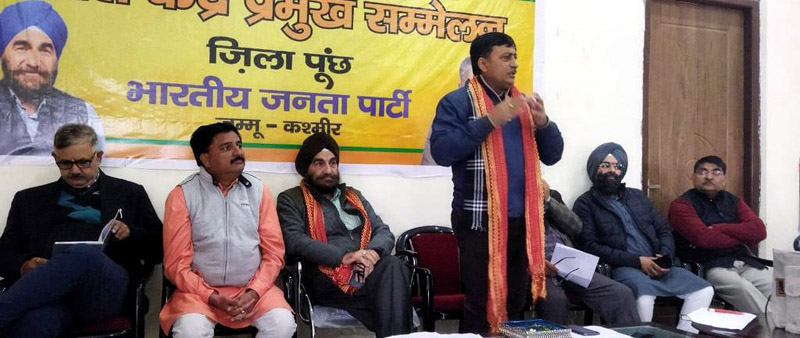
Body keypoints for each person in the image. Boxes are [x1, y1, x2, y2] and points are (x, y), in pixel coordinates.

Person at [430, 32, 564, 333]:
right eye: (506, 57)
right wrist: (490, 120)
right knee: (480, 301)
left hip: (521, 223)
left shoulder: (522, 105)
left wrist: (544, 124)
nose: (514, 64)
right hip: (479, 221)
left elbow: (553, 155)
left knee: (516, 301)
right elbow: (441, 152)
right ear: (483, 64)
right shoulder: (458, 103)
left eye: (515, 57)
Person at [0, 124, 161, 337]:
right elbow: (4, 254)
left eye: (83, 162)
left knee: (84, 254)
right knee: (34, 323)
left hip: (103, 293)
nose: (75, 170)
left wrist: (131, 233)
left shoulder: (129, 193)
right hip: (50, 295)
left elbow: (160, 249)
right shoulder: (28, 200)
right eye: (65, 163)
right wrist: (24, 266)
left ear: (98, 157)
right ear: (55, 158)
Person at [159, 122, 295, 338]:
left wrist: (255, 291)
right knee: (189, 331)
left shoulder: (259, 191)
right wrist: (211, 296)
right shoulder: (183, 195)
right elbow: (176, 265)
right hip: (199, 294)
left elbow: (274, 254)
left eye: (238, 145)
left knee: (282, 324)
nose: (237, 152)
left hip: (253, 290)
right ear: (205, 159)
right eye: (226, 148)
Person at [277, 132, 411, 338]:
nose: (328, 170)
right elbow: (295, 241)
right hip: (327, 276)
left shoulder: (353, 196)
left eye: (332, 163)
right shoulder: (291, 199)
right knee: (393, 293)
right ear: (306, 168)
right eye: (319, 163)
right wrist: (343, 256)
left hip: (367, 272)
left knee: (391, 267)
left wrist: (373, 253)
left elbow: (382, 230)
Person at [573, 142, 714, 333]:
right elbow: (590, 246)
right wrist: (638, 261)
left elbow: (663, 229)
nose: (612, 171)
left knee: (704, 289)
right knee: (644, 295)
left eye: (617, 166)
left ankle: (683, 334)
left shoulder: (638, 197)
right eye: (605, 165)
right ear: (594, 168)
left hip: (658, 263)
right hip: (624, 267)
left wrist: (664, 256)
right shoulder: (585, 204)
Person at [669, 155, 771, 314]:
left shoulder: (734, 201)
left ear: (724, 178)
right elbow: (704, 239)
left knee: (778, 286)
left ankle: (785, 324)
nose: (709, 176)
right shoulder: (682, 205)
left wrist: (719, 227)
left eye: (716, 172)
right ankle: (775, 325)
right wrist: (741, 234)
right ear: (694, 177)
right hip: (710, 265)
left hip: (745, 261)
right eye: (703, 172)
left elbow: (759, 231)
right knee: (743, 288)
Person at [0, 1, 104, 156]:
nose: (34, 62)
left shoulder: (81, 113)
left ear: (57, 58)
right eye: (22, 48)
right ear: (2, 54)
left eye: (45, 50)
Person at [535, 180, 639, 325]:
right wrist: (534, 262)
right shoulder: (511, 202)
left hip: (568, 264)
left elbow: (576, 227)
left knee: (621, 294)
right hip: (536, 269)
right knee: (556, 301)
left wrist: (548, 201)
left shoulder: (552, 196)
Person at [421, 57, 473, 165]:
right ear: (459, 87)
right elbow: (433, 174)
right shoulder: (444, 122)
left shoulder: (505, 118)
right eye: (471, 86)